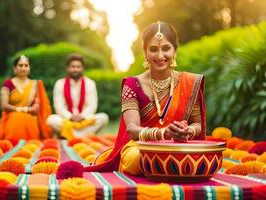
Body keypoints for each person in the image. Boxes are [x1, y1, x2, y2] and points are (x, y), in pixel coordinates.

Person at [85, 21, 206, 175]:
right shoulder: (132, 84)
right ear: (145, 52)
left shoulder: (189, 82)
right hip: (142, 147)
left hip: (178, 145)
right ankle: (172, 167)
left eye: (166, 48)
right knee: (137, 159)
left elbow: (197, 124)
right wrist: (163, 134)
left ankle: (169, 166)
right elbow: (132, 130)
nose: (160, 55)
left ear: (175, 50)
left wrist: (187, 130)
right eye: (154, 49)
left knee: (206, 153)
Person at [46, 53, 109, 139]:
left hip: (84, 120)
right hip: (67, 120)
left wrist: (82, 116)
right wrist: (70, 117)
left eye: (78, 67)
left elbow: (92, 106)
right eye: (72, 66)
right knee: (51, 120)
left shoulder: (90, 83)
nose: (75, 69)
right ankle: (84, 136)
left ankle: (69, 135)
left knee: (103, 117)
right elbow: (58, 107)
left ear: (82, 68)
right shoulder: (60, 83)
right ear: (67, 68)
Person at [0, 55, 52, 141]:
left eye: (26, 65)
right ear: (15, 68)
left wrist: (35, 107)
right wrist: (24, 109)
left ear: (29, 68)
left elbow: (37, 107)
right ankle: (12, 143)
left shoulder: (35, 84)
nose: (23, 68)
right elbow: (4, 106)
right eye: (20, 65)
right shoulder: (8, 83)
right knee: (17, 119)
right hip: (12, 116)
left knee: (29, 122)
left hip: (30, 117)